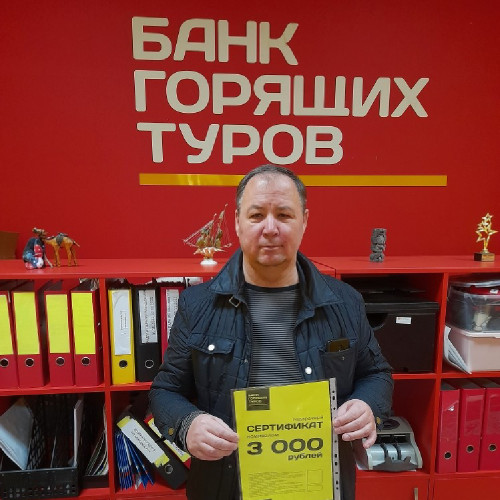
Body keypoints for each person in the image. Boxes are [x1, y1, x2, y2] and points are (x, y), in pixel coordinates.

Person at [150, 164, 393, 500]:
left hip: (318, 485)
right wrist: (186, 424)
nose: (270, 228)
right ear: (237, 221)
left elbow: (377, 374)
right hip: (225, 487)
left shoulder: (345, 302)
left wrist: (368, 406)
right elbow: (165, 390)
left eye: (283, 214)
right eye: (256, 215)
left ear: (304, 221)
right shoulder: (197, 305)